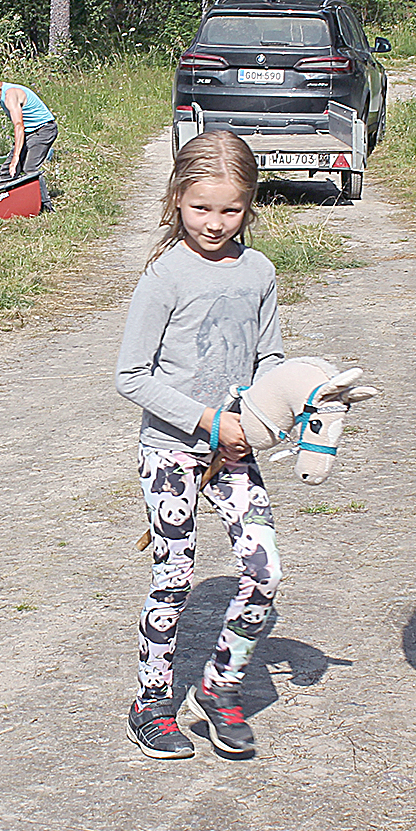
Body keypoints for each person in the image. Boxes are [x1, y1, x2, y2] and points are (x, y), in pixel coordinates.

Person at [114, 130, 283, 761]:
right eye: (201, 208)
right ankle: (151, 700)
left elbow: (270, 354)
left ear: (250, 204)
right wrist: (210, 423)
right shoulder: (165, 276)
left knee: (265, 571)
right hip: (170, 451)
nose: (215, 223)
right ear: (177, 200)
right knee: (175, 574)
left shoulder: (260, 272)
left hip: (238, 450)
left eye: (231, 209)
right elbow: (132, 376)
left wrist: (271, 409)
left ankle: (220, 686)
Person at [0, 64, 57, 210]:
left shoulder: (10, 94)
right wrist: (13, 161)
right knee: (6, 170)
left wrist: (16, 157)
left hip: (44, 129)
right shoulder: (0, 95)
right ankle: (8, 203)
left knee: (30, 168)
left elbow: (19, 125)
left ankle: (45, 206)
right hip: (30, 132)